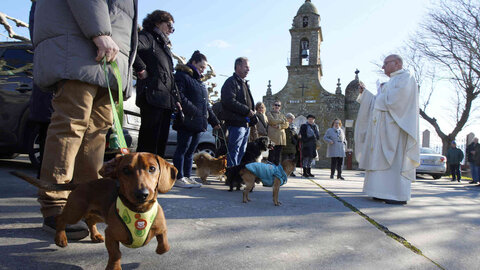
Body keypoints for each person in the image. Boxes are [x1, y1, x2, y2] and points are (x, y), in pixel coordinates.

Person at [33, 0, 138, 238]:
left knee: (97, 133)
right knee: (70, 125)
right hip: (81, 45)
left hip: (109, 57)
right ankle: (56, 204)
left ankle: (87, 203)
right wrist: (98, 31)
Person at [355, 54, 419, 205]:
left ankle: (396, 194)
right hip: (382, 130)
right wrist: (367, 95)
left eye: (385, 63)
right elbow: (379, 102)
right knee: (378, 158)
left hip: (395, 130)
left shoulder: (406, 78)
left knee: (395, 161)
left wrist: (380, 94)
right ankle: (379, 191)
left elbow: (395, 101)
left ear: (396, 63)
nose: (382, 67)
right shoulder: (391, 81)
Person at [134, 10, 179, 157]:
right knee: (148, 143)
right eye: (169, 25)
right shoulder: (148, 37)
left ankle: (155, 176)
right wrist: (141, 68)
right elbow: (130, 46)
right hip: (152, 96)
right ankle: (141, 175)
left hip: (165, 101)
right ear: (157, 22)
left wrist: (176, 99)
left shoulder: (163, 46)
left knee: (160, 144)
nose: (171, 30)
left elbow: (169, 76)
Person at [172, 51, 220, 188]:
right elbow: (179, 95)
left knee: (191, 152)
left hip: (198, 122)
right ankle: (178, 177)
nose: (203, 69)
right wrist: (194, 110)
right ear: (193, 63)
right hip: (187, 120)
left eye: (204, 67)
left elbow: (206, 105)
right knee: (182, 149)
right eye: (201, 66)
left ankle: (187, 175)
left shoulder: (199, 82)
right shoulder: (182, 76)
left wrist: (214, 121)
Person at [220, 57, 255, 167]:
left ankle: (236, 174)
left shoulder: (244, 83)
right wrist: (247, 110)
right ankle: (231, 175)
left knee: (241, 150)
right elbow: (228, 101)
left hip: (245, 124)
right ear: (238, 66)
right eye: (246, 67)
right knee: (234, 150)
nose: (248, 70)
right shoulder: (231, 82)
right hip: (236, 123)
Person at [267, 101, 289, 165]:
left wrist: (279, 126)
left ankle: (276, 170)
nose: (277, 106)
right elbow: (272, 121)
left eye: (278, 105)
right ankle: (269, 170)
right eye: (276, 105)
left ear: (280, 107)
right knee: (271, 155)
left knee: (278, 156)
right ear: (273, 106)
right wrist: (282, 121)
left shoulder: (282, 115)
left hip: (281, 138)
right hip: (273, 137)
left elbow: (287, 124)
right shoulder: (269, 113)